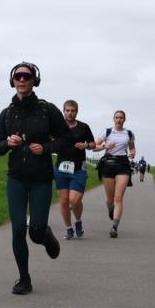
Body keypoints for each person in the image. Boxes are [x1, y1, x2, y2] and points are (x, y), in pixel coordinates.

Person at [0, 62, 70, 295]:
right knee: (17, 229)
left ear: (35, 80)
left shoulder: (48, 110)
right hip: (16, 178)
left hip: (41, 179)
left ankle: (45, 236)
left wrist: (45, 148)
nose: (22, 80)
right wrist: (7, 143)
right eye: (18, 77)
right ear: (12, 81)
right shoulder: (6, 114)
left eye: (27, 76)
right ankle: (24, 279)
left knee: (35, 230)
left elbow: (65, 140)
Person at [53, 100, 95, 240]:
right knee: (64, 201)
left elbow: (93, 144)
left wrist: (86, 145)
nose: (70, 113)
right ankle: (69, 228)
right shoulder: (57, 127)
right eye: (67, 110)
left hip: (78, 169)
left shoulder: (83, 127)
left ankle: (78, 220)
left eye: (73, 111)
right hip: (61, 168)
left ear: (77, 112)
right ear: (63, 111)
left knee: (74, 200)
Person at [94, 110, 136, 238]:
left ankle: (114, 227)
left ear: (124, 120)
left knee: (118, 198)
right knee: (110, 199)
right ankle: (111, 210)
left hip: (123, 164)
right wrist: (105, 146)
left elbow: (132, 147)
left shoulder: (128, 133)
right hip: (108, 164)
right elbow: (94, 146)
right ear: (113, 119)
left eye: (121, 118)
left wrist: (132, 153)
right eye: (116, 117)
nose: (118, 120)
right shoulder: (107, 132)